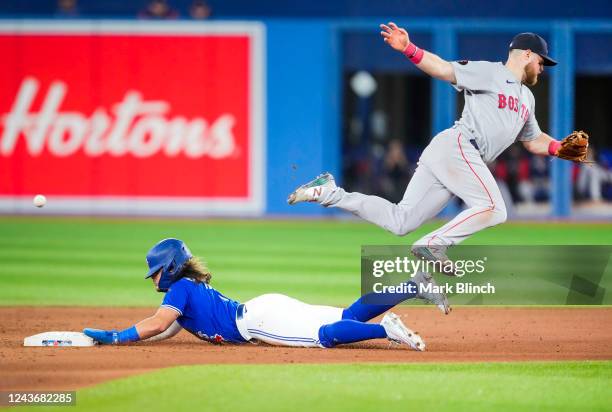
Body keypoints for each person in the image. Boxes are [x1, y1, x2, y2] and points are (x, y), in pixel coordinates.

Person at [288, 23, 573, 269]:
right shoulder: (491, 72)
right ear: (527, 54)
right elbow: (443, 69)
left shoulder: (527, 99)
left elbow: (533, 139)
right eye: (541, 61)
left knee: (401, 221)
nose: (542, 68)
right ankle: (433, 243)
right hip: (459, 146)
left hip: (457, 157)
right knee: (494, 209)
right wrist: (409, 48)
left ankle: (329, 193)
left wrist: (560, 147)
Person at [83, 238, 449, 350]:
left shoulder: (179, 288)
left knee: (324, 337)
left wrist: (117, 336)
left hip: (258, 321)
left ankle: (388, 329)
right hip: (264, 306)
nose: (153, 279)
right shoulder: (187, 287)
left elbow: (158, 323)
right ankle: (414, 285)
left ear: (173, 266)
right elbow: (168, 327)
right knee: (343, 318)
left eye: (157, 271)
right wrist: (139, 338)